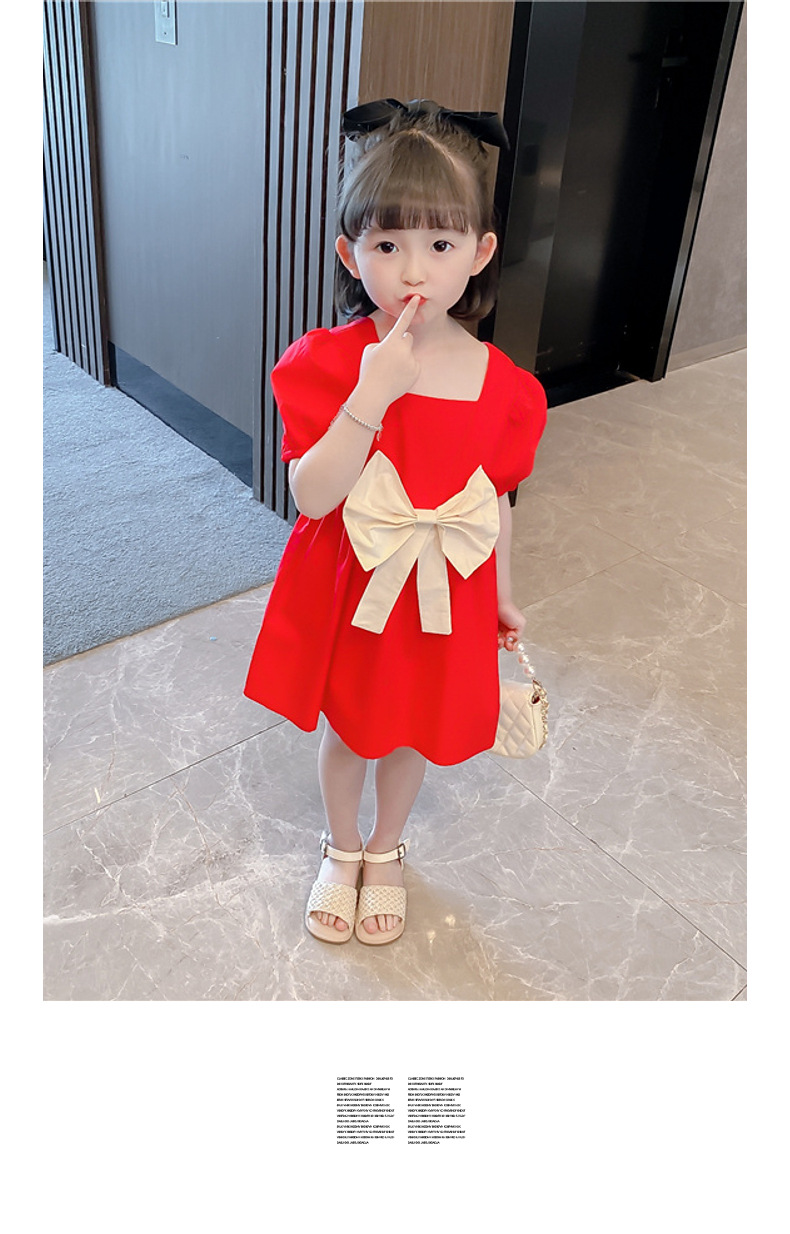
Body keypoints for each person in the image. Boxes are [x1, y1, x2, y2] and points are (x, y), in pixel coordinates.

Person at [244, 98, 547, 947]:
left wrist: (504, 593)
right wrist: (372, 394)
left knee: (412, 726)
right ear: (352, 253)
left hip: (445, 591)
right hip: (355, 586)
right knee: (352, 726)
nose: (414, 271)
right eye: (388, 245)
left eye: (440, 245)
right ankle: (341, 848)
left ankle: (387, 849)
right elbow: (312, 495)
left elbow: (494, 499)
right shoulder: (330, 361)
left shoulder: (504, 384)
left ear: (479, 253)